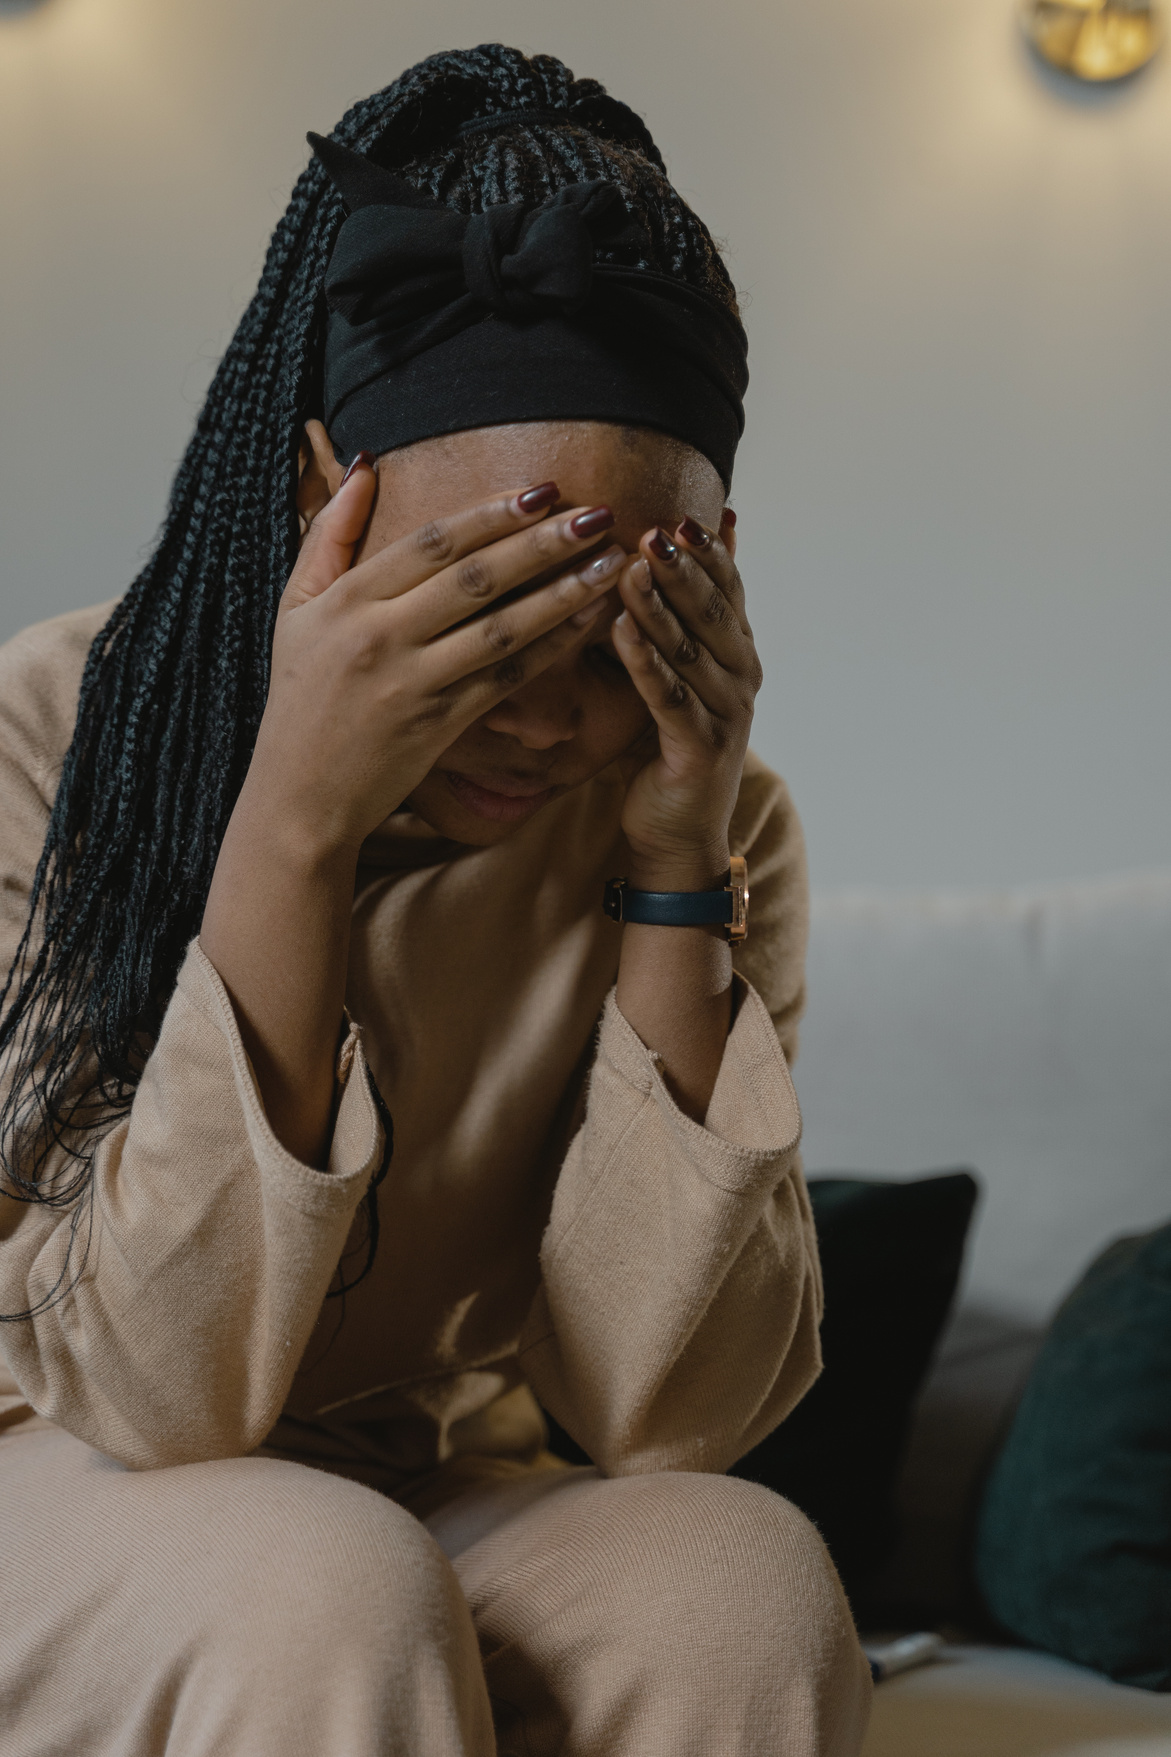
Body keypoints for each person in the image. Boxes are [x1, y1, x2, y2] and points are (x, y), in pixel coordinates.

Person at [0, 43, 872, 1757]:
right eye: (490, 607)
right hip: (52, 1462)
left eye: (616, 627)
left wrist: (676, 873)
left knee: (737, 1582)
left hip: (401, 1483)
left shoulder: (702, 819)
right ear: (332, 496)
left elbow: (665, 1416)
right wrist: (294, 818)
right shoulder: (55, 736)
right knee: (310, 1583)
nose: (553, 715)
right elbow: (156, 1396)